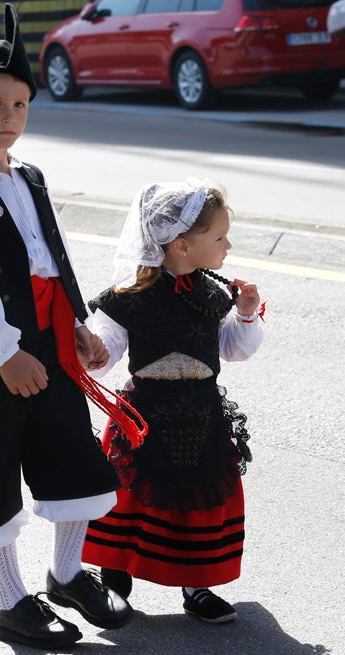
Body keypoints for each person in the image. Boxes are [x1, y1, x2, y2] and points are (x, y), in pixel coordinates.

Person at [0, 3, 139, 650]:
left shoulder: (32, 178)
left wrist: (78, 325)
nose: (9, 118)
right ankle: (12, 603)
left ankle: (66, 574)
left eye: (19, 104)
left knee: (72, 454)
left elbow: (54, 257)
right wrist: (5, 354)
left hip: (50, 340)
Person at [81, 179, 265, 624]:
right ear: (182, 245)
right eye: (219, 237)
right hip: (144, 416)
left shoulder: (211, 293)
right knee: (132, 496)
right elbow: (104, 353)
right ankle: (114, 574)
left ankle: (196, 585)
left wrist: (244, 312)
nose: (228, 245)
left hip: (201, 414)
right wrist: (94, 349)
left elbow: (233, 349)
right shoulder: (130, 298)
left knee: (196, 497)